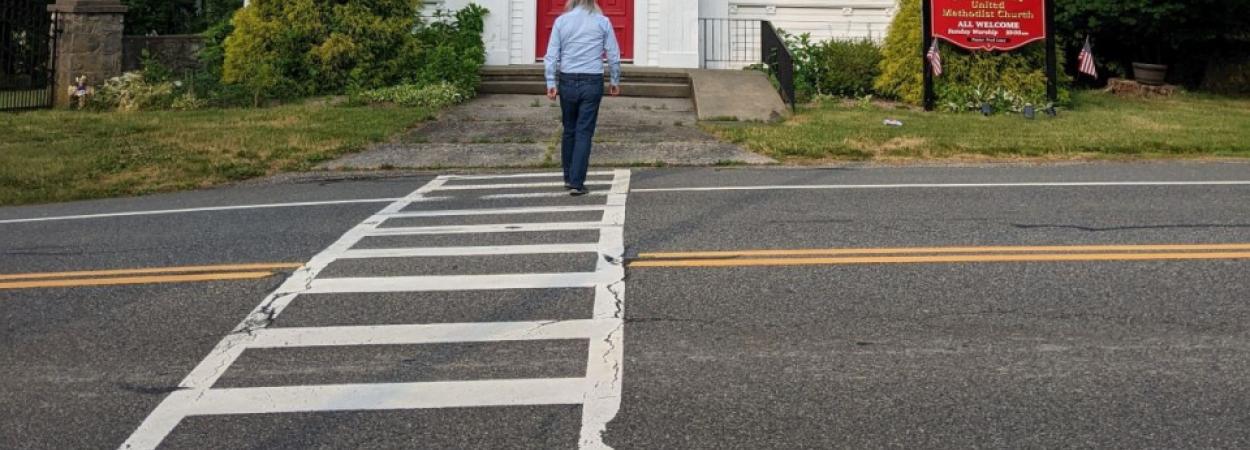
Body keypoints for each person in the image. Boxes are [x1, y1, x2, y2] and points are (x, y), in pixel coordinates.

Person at [544, 0, 622, 197]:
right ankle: (578, 183)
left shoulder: (561, 21)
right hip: (592, 80)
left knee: (569, 129)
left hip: (567, 79)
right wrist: (614, 80)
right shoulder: (602, 22)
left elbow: (552, 55)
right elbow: (613, 55)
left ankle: (569, 177)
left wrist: (551, 83)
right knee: (584, 131)